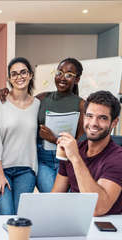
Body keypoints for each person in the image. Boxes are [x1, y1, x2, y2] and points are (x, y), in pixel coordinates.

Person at [52, 91, 122, 216]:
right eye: (89, 116)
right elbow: (55, 198)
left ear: (114, 122)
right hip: (75, 222)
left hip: (104, 227)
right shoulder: (75, 149)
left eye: (102, 118)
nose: (93, 123)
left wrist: (75, 158)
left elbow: (97, 208)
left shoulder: (120, 160)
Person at [0, 57, 40, 215]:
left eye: (23, 72)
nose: (19, 77)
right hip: (0, 170)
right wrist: (0, 173)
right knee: (6, 215)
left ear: (30, 75)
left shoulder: (38, 104)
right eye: (14, 74)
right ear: (9, 79)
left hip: (26, 170)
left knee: (20, 217)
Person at [34, 57, 86, 192]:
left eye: (69, 75)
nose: (62, 78)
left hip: (66, 160)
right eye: (59, 73)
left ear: (77, 80)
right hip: (43, 160)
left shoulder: (82, 105)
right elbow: (19, 105)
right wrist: (4, 93)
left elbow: (81, 142)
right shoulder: (41, 98)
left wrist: (55, 139)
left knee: (63, 204)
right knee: (51, 201)